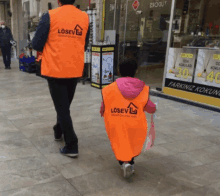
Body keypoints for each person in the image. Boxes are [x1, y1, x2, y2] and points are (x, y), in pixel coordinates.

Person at [32, 0, 90, 157]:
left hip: (55, 69)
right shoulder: (84, 17)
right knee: (64, 105)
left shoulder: (49, 16)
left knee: (62, 107)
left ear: (58, 1)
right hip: (75, 69)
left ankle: (71, 144)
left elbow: (36, 44)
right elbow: (84, 45)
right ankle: (58, 129)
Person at [100, 59, 156, 178]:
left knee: (120, 142)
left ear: (119, 71)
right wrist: (154, 108)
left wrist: (102, 112)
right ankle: (129, 162)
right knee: (131, 142)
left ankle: (124, 163)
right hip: (135, 123)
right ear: (136, 71)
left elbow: (104, 106)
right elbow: (149, 107)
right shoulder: (143, 89)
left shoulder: (109, 89)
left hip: (116, 122)